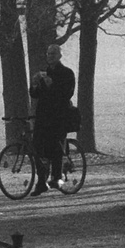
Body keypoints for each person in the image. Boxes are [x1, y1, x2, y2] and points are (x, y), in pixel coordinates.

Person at [27, 43, 77, 196]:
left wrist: (52, 85)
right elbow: (35, 95)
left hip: (58, 117)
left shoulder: (67, 73)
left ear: (60, 56)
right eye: (48, 54)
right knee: (37, 149)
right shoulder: (44, 73)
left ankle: (56, 177)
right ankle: (41, 181)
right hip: (43, 117)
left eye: (53, 54)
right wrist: (35, 85)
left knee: (55, 148)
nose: (50, 56)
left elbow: (67, 94)